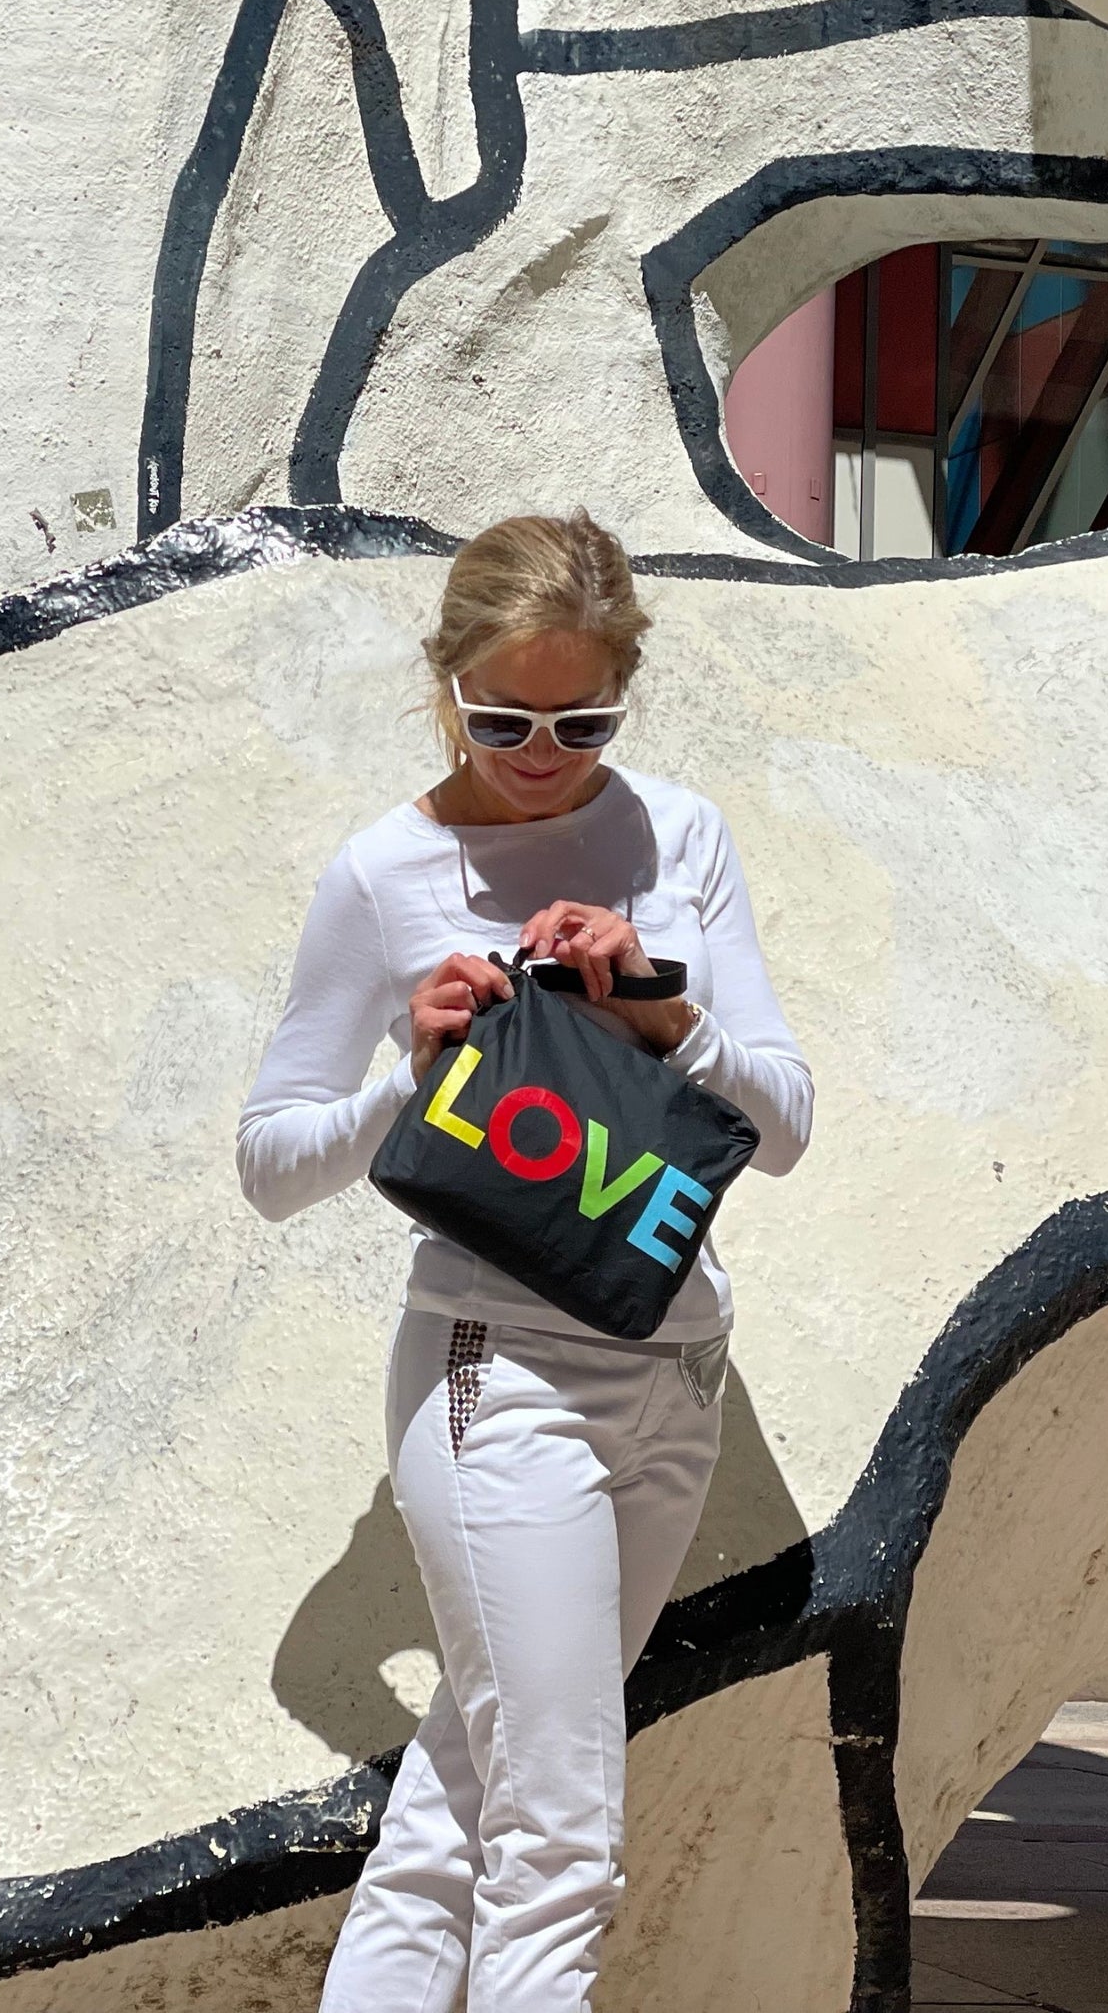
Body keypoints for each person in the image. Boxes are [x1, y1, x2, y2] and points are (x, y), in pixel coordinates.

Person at [236, 509, 813, 2011]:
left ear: (624, 691)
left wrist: (663, 1013)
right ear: (448, 686)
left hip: (678, 1380)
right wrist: (410, 1080)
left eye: (581, 721)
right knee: (558, 1843)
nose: (541, 754)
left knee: (462, 1814)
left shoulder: (679, 838)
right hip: (499, 1385)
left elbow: (785, 1126)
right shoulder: (385, 872)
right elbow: (271, 1164)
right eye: (501, 721)